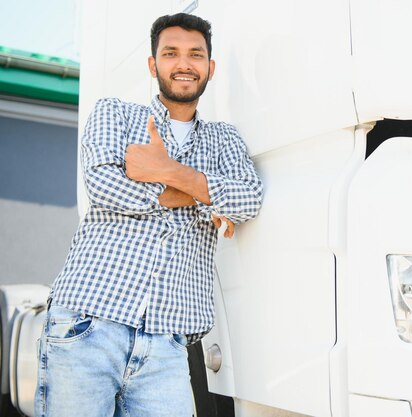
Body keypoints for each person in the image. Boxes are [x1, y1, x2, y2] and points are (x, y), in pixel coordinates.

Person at [34, 13, 263, 417]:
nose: (184, 63)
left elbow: (248, 200)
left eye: (196, 54)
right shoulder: (115, 115)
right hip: (88, 323)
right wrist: (201, 194)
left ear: (210, 68)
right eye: (171, 53)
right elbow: (103, 186)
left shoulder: (225, 140)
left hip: (167, 341)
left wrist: (169, 172)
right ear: (153, 64)